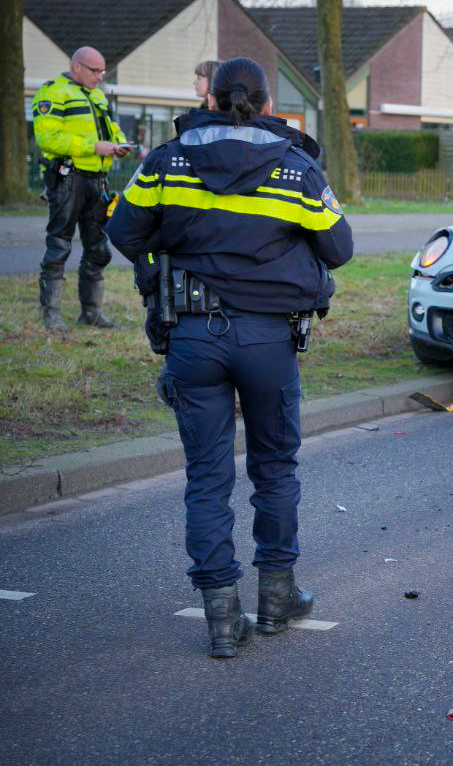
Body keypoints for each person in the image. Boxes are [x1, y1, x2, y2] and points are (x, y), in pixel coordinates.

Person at [106, 57, 354, 659]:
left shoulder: (167, 162)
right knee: (275, 469)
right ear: (268, 105)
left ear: (210, 100)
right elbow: (339, 248)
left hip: (193, 337)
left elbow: (123, 233)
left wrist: (175, 244)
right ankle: (276, 600)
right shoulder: (296, 169)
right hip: (268, 341)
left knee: (207, 479)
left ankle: (221, 619)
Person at [32, 46, 131, 330]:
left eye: (102, 71)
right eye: (94, 70)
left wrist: (119, 144)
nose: (100, 76)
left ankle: (91, 312)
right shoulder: (52, 92)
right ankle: (51, 313)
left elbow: (113, 129)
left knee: (99, 248)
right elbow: (48, 139)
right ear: (77, 66)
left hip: (97, 180)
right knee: (59, 245)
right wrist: (93, 147)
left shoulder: (98, 96)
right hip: (67, 179)